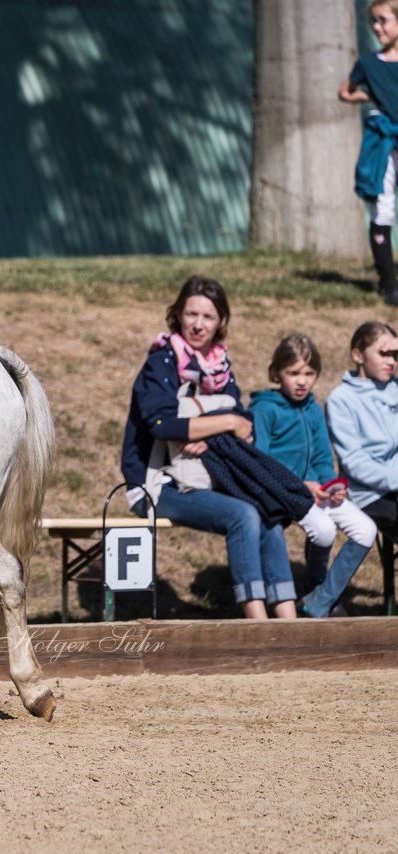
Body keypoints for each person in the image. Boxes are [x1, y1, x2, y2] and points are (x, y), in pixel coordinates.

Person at [120, 276, 298, 619]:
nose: (198, 325)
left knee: (267, 512)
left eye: (208, 317)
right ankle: (258, 625)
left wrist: (210, 431)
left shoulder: (219, 366)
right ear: (178, 315)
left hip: (211, 475)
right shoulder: (161, 362)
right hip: (157, 484)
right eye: (191, 314)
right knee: (242, 514)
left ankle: (289, 623)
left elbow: (243, 418)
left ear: (222, 323)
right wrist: (225, 424)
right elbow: (162, 425)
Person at [251, 334, 377, 618]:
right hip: (283, 492)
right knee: (323, 531)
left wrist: (333, 485)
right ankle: (316, 587)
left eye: (309, 373)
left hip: (317, 491)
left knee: (366, 530)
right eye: (293, 373)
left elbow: (322, 457)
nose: (301, 381)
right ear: (275, 373)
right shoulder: (264, 408)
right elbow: (261, 460)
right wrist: (300, 486)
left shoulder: (313, 409)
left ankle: (319, 599)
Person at [327, 321, 398, 605]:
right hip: (368, 493)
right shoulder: (341, 400)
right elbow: (354, 463)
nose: (391, 361)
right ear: (358, 355)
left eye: (395, 355)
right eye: (383, 353)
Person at [340, 0, 398, 304]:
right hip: (383, 143)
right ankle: (389, 284)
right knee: (383, 207)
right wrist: (372, 95)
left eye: (384, 20)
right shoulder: (369, 63)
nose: (377, 27)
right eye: (374, 22)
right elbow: (345, 92)